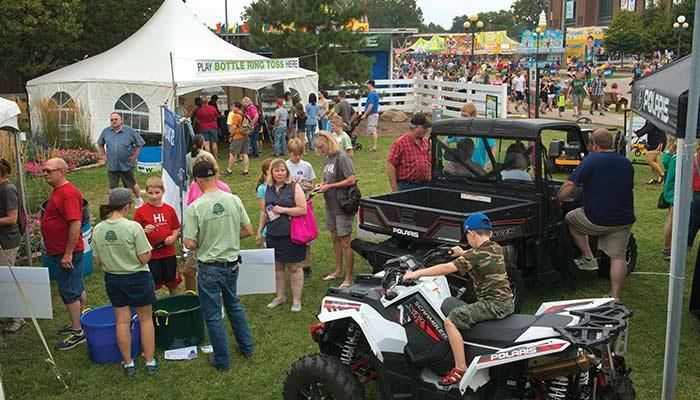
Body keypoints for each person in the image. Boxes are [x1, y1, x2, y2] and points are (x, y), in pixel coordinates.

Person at [402, 213, 514, 386]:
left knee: (450, 321)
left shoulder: (474, 255)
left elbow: (447, 267)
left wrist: (416, 273)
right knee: (454, 304)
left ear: (472, 234)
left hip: (493, 305)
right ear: (489, 234)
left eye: (467, 236)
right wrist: (462, 252)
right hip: (507, 302)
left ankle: (460, 368)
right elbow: (478, 254)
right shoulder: (495, 248)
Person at [183, 160, 255, 371]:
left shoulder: (195, 207)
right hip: (232, 264)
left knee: (213, 315)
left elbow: (189, 243)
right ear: (215, 175)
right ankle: (246, 348)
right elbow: (248, 230)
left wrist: (201, 241)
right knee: (234, 305)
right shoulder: (234, 199)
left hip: (209, 267)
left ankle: (222, 361)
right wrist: (230, 236)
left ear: (196, 181)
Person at [557, 129, 635, 298]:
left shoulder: (591, 160)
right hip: (623, 220)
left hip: (596, 220)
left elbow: (569, 186)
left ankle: (588, 257)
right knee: (618, 257)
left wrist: (557, 198)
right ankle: (614, 296)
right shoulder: (627, 163)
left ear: (594, 144)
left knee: (570, 218)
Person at [93, 188, 158, 376]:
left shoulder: (99, 228)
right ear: (127, 206)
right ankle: (149, 361)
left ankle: (128, 363)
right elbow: (144, 257)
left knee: (122, 321)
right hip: (137, 277)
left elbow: (97, 261)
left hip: (113, 278)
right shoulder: (133, 227)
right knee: (145, 319)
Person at [40, 158, 87, 350]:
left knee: (69, 291)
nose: (45, 174)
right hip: (61, 250)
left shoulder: (68, 194)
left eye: (48, 171)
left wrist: (67, 253)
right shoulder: (59, 192)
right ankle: (80, 322)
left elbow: (75, 223)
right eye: (44, 170)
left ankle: (78, 332)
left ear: (61, 172)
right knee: (76, 287)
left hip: (67, 252)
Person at [257, 158, 308, 311]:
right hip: (273, 233)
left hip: (291, 234)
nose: (280, 173)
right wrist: (260, 230)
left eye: (282, 170)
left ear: (287, 171)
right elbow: (264, 212)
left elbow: (303, 209)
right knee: (277, 267)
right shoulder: (268, 188)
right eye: (276, 170)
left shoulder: (294, 187)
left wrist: (284, 210)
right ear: (271, 172)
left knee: (294, 267)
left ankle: (296, 300)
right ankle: (280, 296)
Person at [314, 132, 358, 288]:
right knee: (335, 238)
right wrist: (320, 185)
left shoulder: (342, 157)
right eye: (317, 148)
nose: (320, 150)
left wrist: (331, 186)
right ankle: (338, 270)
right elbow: (328, 179)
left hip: (342, 205)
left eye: (321, 147)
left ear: (329, 142)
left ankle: (349, 276)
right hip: (330, 205)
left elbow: (352, 178)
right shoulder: (328, 159)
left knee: (346, 241)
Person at [183, 156, 231, 292]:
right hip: (197, 236)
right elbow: (190, 206)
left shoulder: (224, 188)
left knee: (215, 276)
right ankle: (191, 299)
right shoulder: (194, 186)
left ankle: (220, 303)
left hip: (216, 238)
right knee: (188, 272)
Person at [133, 177, 181, 295]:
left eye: (157, 193)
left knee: (173, 283)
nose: (154, 196)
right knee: (152, 285)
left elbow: (176, 228)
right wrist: (144, 231)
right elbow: (134, 233)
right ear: (146, 192)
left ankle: (176, 306)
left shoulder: (169, 210)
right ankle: (152, 310)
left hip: (168, 253)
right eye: (150, 193)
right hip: (151, 255)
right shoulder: (141, 211)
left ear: (163, 192)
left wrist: (174, 237)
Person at [98, 112, 145, 207]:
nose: (114, 121)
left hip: (126, 164)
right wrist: (103, 155)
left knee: (131, 184)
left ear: (121, 120)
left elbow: (140, 143)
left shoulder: (130, 131)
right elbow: (100, 143)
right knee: (112, 186)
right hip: (112, 165)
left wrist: (135, 156)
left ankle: (139, 199)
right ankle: (113, 204)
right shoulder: (106, 131)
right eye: (111, 120)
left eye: (116, 119)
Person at [0, 159, 25, 334]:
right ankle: (9, 313)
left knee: (9, 279)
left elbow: (12, 218)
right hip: (3, 239)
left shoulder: (8, 189)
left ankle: (19, 318)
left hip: (7, 242)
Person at [286, 139, 317, 279]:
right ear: (289, 153)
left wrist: (307, 185)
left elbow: (311, 184)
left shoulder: (307, 166)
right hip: (291, 205)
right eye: (294, 155)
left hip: (305, 202)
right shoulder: (285, 166)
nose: (297, 157)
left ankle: (307, 264)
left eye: (299, 154)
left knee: (306, 235)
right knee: (293, 234)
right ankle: (293, 262)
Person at [387, 114, 432, 192]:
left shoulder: (427, 142)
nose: (426, 130)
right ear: (415, 127)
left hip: (425, 185)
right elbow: (390, 164)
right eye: (424, 127)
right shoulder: (400, 143)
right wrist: (394, 189)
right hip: (406, 186)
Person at [661, 136, 677, 261]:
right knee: (672, 220)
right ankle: (667, 248)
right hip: (676, 192)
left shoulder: (669, 157)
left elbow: (664, 160)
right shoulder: (679, 159)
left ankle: (669, 246)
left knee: (671, 219)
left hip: (669, 191)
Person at [223, 102, 249, 176]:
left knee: (232, 154)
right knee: (245, 154)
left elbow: (233, 127)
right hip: (245, 135)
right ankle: (245, 170)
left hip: (237, 136)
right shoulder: (244, 114)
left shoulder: (236, 116)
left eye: (233, 107)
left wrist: (230, 136)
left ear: (237, 107)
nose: (232, 109)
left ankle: (229, 170)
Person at [255, 158, 274, 248]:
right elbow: (264, 211)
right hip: (269, 225)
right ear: (266, 172)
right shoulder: (262, 188)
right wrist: (259, 231)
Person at [362, 80, 380, 152]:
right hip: (372, 115)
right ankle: (373, 146)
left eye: (367, 84)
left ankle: (374, 147)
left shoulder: (372, 94)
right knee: (371, 130)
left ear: (370, 85)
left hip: (372, 115)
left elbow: (371, 105)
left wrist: (365, 114)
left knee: (372, 131)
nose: (366, 86)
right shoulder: (373, 93)